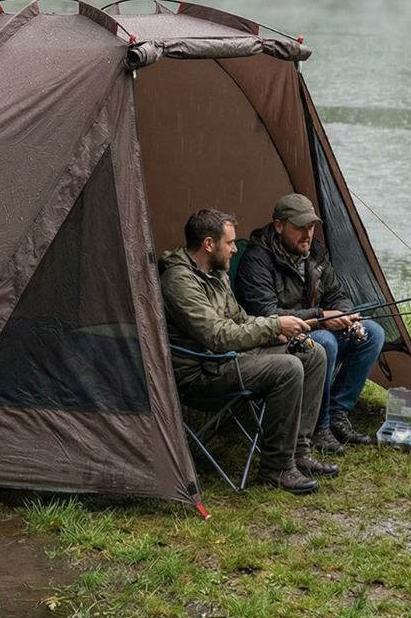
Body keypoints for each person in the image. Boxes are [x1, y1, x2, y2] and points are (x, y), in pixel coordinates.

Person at [159, 207, 334, 494]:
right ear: (208, 244)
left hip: (227, 360)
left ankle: (298, 450)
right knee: (288, 368)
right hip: (200, 373)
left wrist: (279, 329)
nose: (234, 249)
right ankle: (276, 467)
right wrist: (273, 325)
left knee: (312, 355)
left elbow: (240, 321)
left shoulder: (216, 275)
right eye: (229, 243)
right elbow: (216, 335)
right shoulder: (179, 281)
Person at [234, 193, 385, 455]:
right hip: (275, 338)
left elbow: (337, 294)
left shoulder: (316, 253)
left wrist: (347, 317)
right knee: (324, 342)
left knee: (373, 332)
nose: (307, 234)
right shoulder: (257, 259)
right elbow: (266, 313)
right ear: (279, 226)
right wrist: (322, 316)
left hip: (312, 327)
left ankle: (338, 413)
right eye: (300, 227)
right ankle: (319, 426)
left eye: (311, 227)